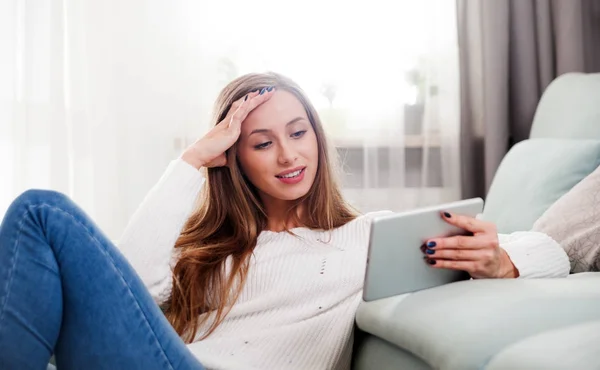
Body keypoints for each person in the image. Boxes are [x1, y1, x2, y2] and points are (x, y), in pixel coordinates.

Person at [0, 72, 570, 370]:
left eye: (298, 133)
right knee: (42, 215)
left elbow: (555, 251)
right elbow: (130, 293)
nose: (288, 156)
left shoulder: (366, 239)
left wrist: (501, 261)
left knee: (42, 213)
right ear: (235, 159)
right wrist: (192, 161)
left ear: (317, 137)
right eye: (262, 143)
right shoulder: (208, 245)